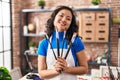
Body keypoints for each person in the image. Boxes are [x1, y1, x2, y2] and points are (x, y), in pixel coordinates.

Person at [37, 6, 88, 80]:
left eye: (68, 19)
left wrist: (66, 69)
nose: (64, 20)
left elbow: (84, 69)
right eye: (61, 15)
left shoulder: (76, 41)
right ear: (54, 18)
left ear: (70, 23)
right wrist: (55, 71)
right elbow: (41, 73)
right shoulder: (44, 43)